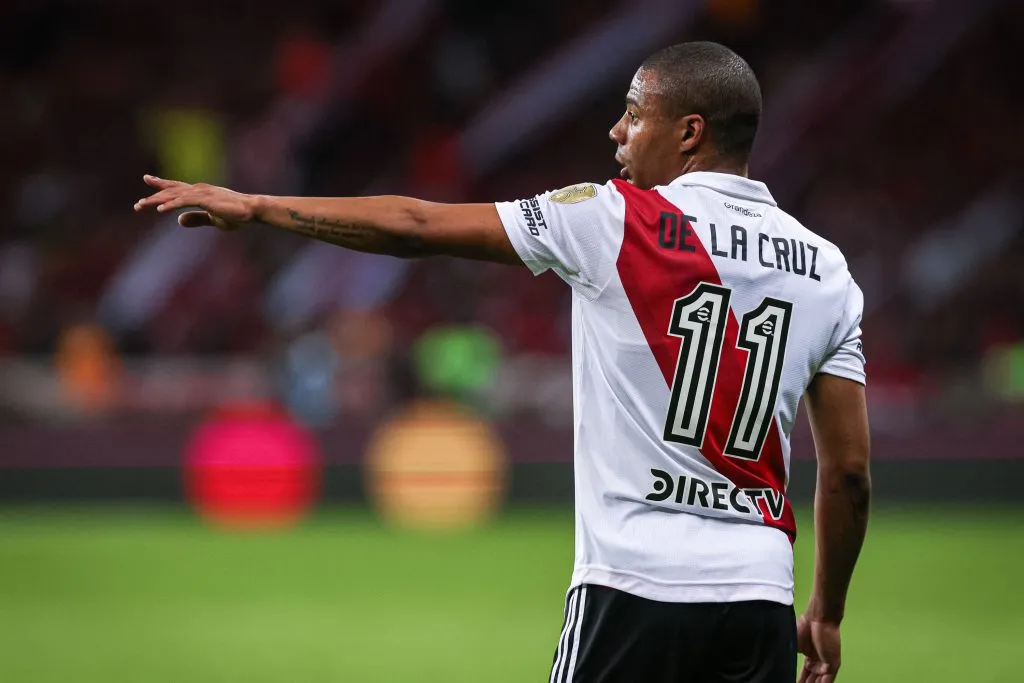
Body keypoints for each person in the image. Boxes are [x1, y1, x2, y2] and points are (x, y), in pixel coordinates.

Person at [136, 41, 870, 683]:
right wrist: (825, 609)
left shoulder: (612, 218)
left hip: (632, 584)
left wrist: (259, 205)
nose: (616, 131)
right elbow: (847, 472)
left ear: (690, 132)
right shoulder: (829, 270)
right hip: (758, 595)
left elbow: (417, 225)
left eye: (634, 112)